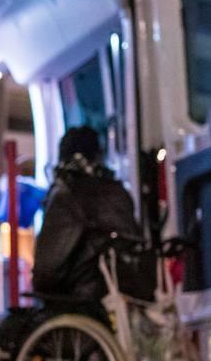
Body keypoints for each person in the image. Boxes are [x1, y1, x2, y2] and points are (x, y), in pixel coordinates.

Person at [32, 125, 151, 301]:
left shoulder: (65, 196)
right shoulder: (119, 191)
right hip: (130, 285)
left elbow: (47, 270)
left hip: (82, 296)